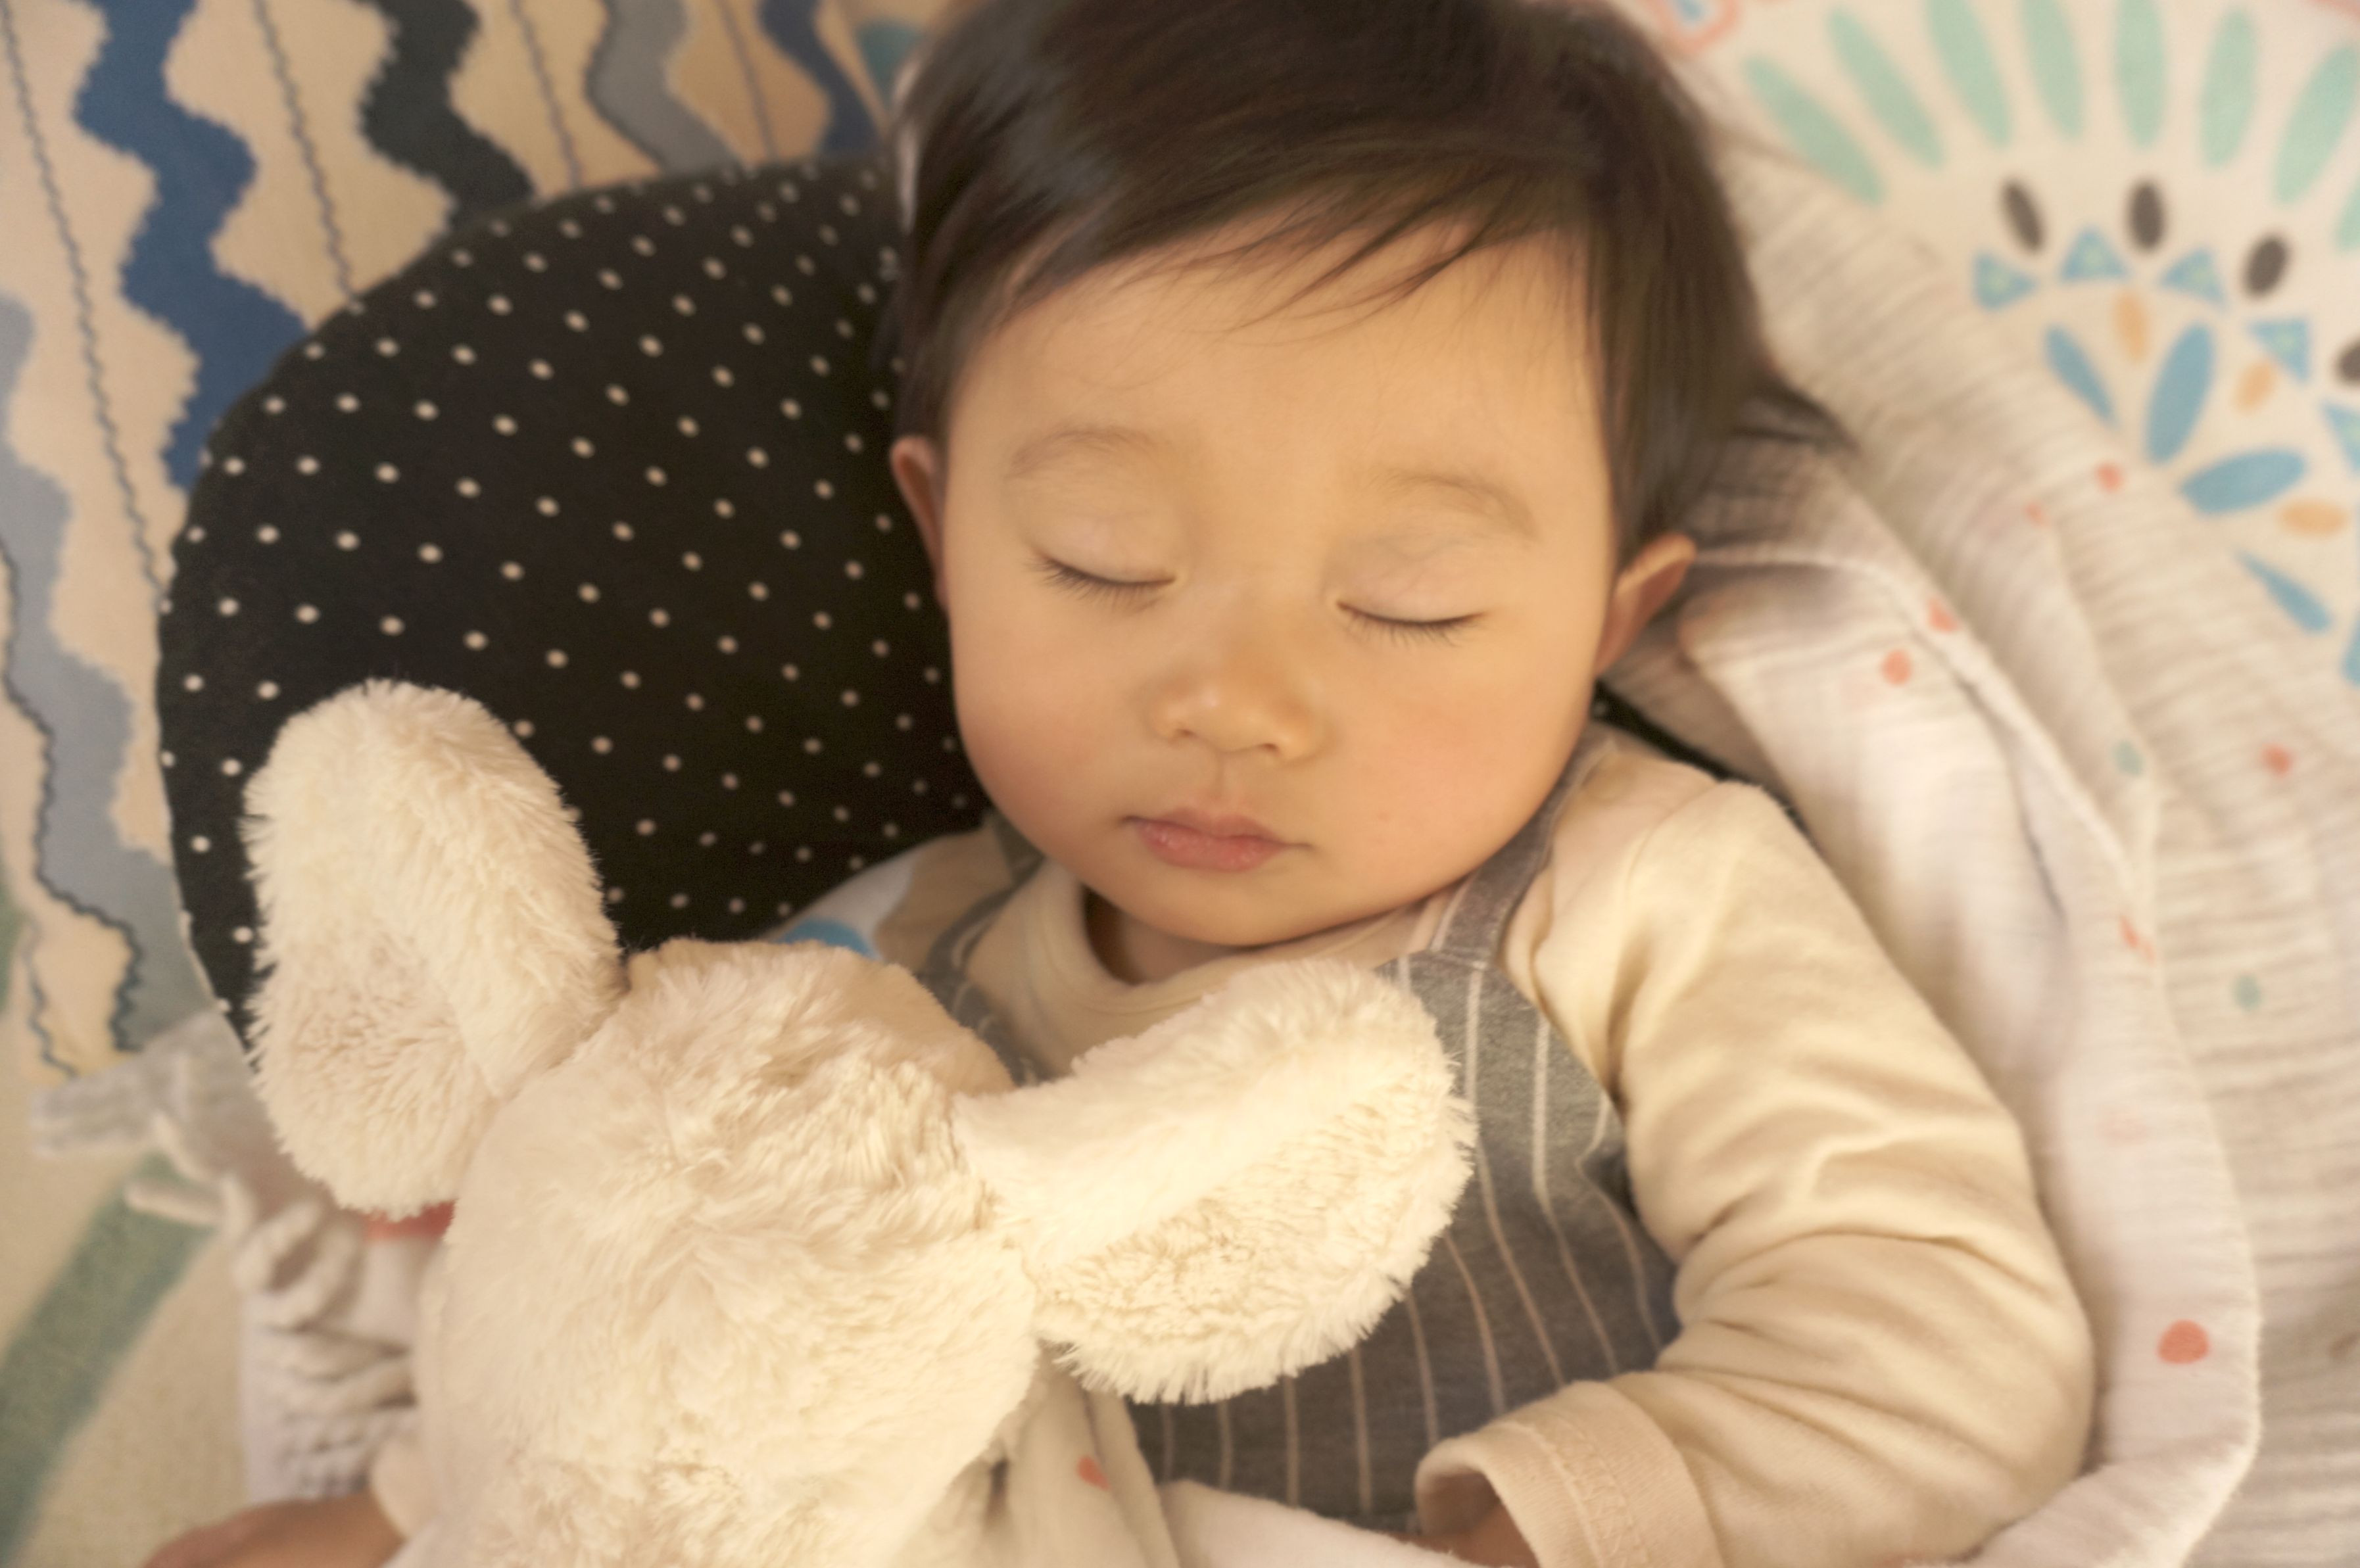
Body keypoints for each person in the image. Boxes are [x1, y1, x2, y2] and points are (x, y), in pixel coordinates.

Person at [145, 2, 2092, 1565]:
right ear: (942, 534)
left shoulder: (1645, 896)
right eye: (1101, 563)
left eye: (1408, 604)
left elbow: (1944, 1325)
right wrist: (404, 1506)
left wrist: (1562, 1520)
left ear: (1611, 617)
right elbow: (683, 1306)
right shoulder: (907, 966)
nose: (1234, 701)